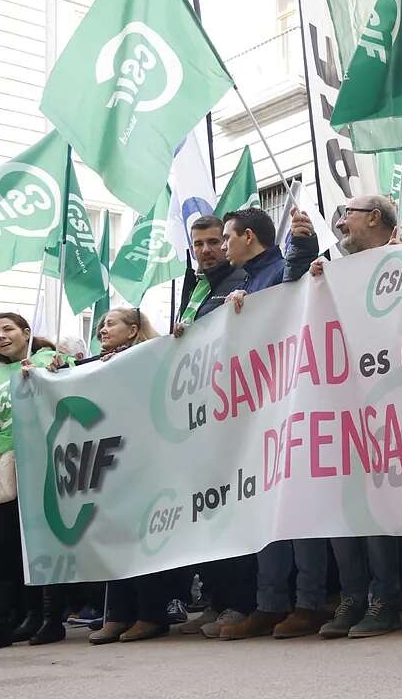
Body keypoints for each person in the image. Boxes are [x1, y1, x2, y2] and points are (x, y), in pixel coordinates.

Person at [214, 206, 331, 640]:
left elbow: (294, 298)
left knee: (298, 510)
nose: (222, 246)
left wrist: (302, 243)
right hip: (260, 414)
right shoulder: (239, 282)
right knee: (267, 512)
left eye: (227, 237)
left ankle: (309, 602)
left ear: (248, 236)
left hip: (294, 404)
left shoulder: (281, 270)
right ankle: (269, 603)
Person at [308, 195, 402, 639]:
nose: (340, 221)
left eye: (347, 213)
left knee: (377, 504)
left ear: (374, 219)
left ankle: (385, 599)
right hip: (341, 403)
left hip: (394, 402)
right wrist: (306, 276)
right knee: (341, 500)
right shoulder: (330, 271)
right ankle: (353, 596)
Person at [172, 215, 258, 637]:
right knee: (206, 510)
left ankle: (240, 602)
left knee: (231, 508)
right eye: (199, 243)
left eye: (213, 241)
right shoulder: (197, 288)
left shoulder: (240, 280)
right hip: (198, 414)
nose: (206, 249)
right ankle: (219, 597)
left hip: (231, 411)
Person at [86, 309, 175, 644]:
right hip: (112, 462)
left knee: (144, 537)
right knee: (116, 535)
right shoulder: (96, 364)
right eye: (100, 326)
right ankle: (117, 615)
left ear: (133, 329)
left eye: (110, 323)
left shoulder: (150, 356)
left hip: (144, 458)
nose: (103, 330)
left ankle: (151, 614)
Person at [0, 314, 61, 649]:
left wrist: (52, 368)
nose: (0, 337)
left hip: (44, 453)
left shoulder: (47, 357)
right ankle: (8, 619)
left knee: (43, 538)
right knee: (3, 544)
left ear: (27, 333)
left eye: (8, 330)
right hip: (3, 460)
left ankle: (49, 617)